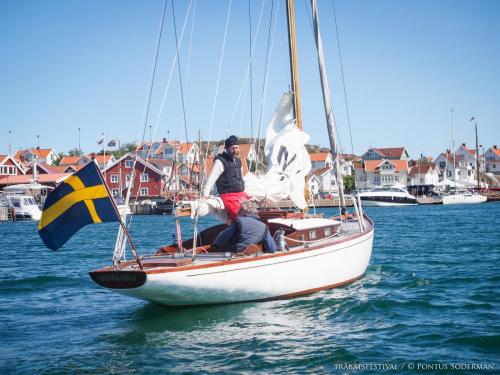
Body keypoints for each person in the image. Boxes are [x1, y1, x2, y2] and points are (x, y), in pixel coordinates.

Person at [203, 135, 250, 220]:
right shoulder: (220, 162)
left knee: (251, 211)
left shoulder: (238, 161)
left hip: (240, 194)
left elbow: (240, 179)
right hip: (228, 195)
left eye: (237, 148)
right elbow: (211, 179)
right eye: (233, 148)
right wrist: (205, 195)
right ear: (227, 149)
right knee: (239, 215)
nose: (235, 150)